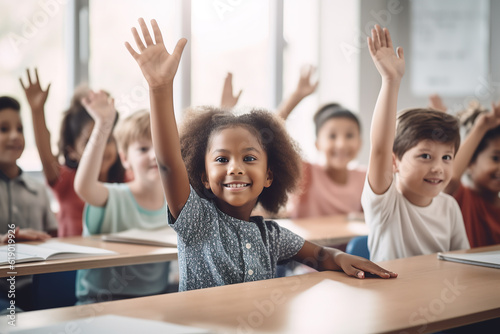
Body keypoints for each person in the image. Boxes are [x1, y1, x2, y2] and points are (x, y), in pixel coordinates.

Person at [125, 18, 397, 291]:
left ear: (269, 176)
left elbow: (320, 255)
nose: (235, 168)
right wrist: (160, 89)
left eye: (249, 158)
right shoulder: (198, 221)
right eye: (222, 159)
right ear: (204, 177)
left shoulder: (271, 236)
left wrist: (341, 257)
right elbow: (170, 165)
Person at [361, 25, 470, 262]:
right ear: (395, 161)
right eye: (425, 156)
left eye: (446, 157)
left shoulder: (449, 207)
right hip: (392, 298)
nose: (438, 167)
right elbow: (379, 149)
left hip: (438, 296)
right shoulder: (385, 204)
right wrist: (391, 81)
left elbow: (462, 265)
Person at [73, 92, 171, 303]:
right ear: (125, 159)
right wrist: (103, 123)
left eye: (160, 146)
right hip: (100, 303)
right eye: (143, 149)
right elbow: (84, 187)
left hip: (156, 301)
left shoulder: (176, 204)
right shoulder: (115, 197)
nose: (154, 155)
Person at [19, 69, 126, 237]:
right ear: (72, 151)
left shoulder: (124, 181)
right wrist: (37, 111)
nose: (102, 148)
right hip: (72, 262)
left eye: (108, 139)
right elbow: (47, 157)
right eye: (90, 142)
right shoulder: (67, 183)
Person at [277, 67, 365, 218]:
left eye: (350, 135)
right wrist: (296, 97)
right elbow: (271, 135)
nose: (341, 144)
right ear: (317, 144)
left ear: (360, 142)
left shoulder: (365, 178)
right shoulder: (306, 173)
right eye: (332, 136)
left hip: (349, 242)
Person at [0, 95, 57, 312]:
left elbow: (54, 237)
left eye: (20, 129)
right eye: (3, 129)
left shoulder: (38, 189)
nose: (15, 136)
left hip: (37, 287)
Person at [444, 101, 500, 247]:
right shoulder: (462, 198)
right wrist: (482, 126)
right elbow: (450, 178)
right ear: (470, 162)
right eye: (495, 158)